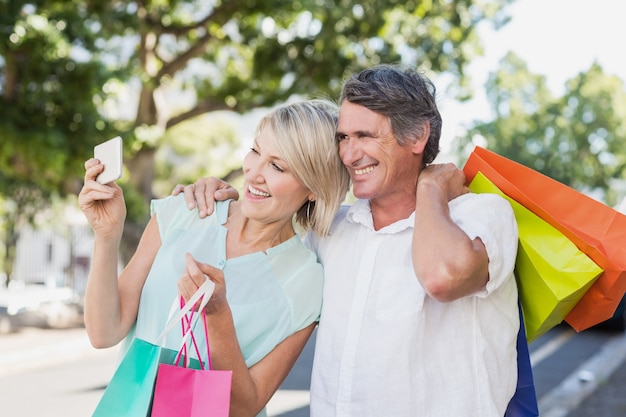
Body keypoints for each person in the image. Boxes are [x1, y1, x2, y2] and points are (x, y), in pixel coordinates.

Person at [176, 64, 520, 416]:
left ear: (417, 136)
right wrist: (218, 195)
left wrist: (430, 187)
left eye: (366, 136)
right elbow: (270, 217)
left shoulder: (481, 215)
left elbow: (443, 277)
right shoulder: (332, 231)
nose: (349, 155)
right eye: (343, 137)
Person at [78, 99, 351, 417]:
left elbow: (245, 406)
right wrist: (107, 236)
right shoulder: (185, 211)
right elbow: (104, 333)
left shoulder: (305, 280)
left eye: (277, 166)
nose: (254, 173)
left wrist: (218, 314)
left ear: (315, 188)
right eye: (256, 151)